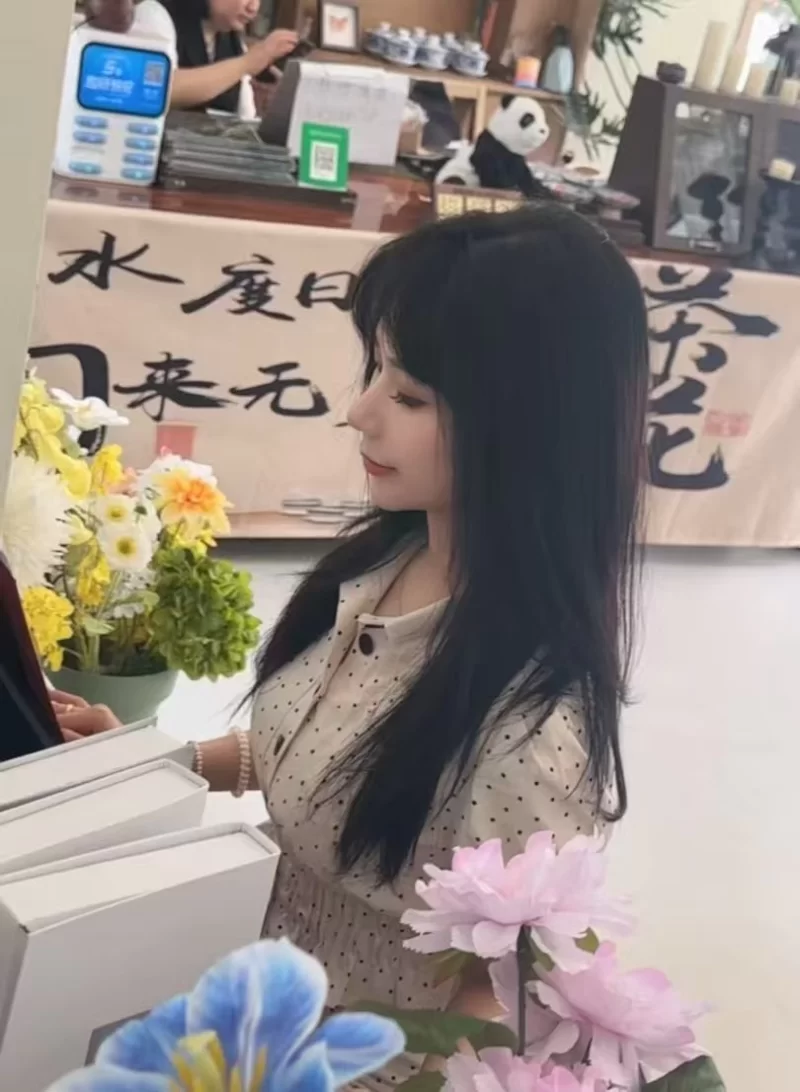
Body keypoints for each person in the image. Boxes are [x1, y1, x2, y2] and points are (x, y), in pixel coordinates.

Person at [64, 207, 649, 1082]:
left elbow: (500, 997)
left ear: (529, 428)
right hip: (255, 1000)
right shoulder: (387, 561)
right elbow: (319, 760)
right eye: (376, 371)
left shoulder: (529, 734)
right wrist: (157, 762)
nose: (358, 413)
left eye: (410, 397)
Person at [84, 0, 298, 115]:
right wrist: (247, 62)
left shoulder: (233, 42)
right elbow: (160, 90)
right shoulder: (155, 14)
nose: (253, 7)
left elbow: (243, 120)